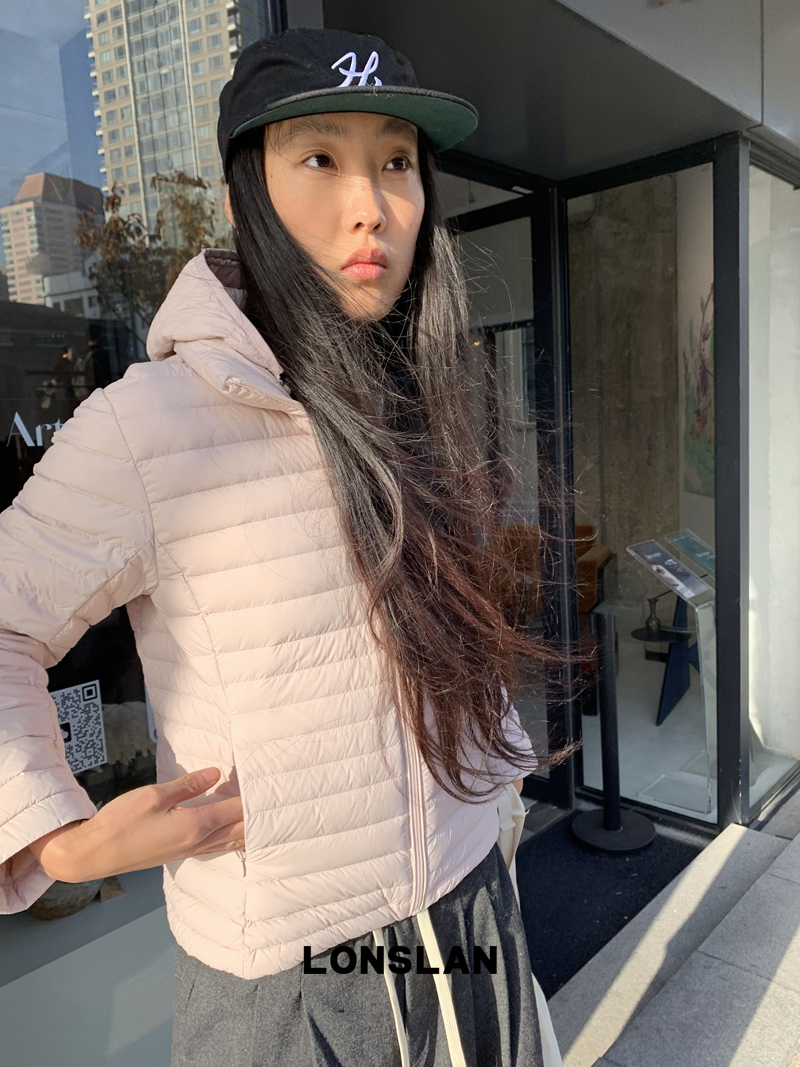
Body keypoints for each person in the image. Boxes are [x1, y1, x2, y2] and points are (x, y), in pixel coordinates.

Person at [0, 27, 553, 1066]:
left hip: (471, 905)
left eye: (396, 161)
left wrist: (495, 782)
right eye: (320, 158)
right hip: (292, 971)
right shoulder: (149, 424)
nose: (369, 204)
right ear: (242, 194)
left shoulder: (423, 394)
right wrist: (54, 836)